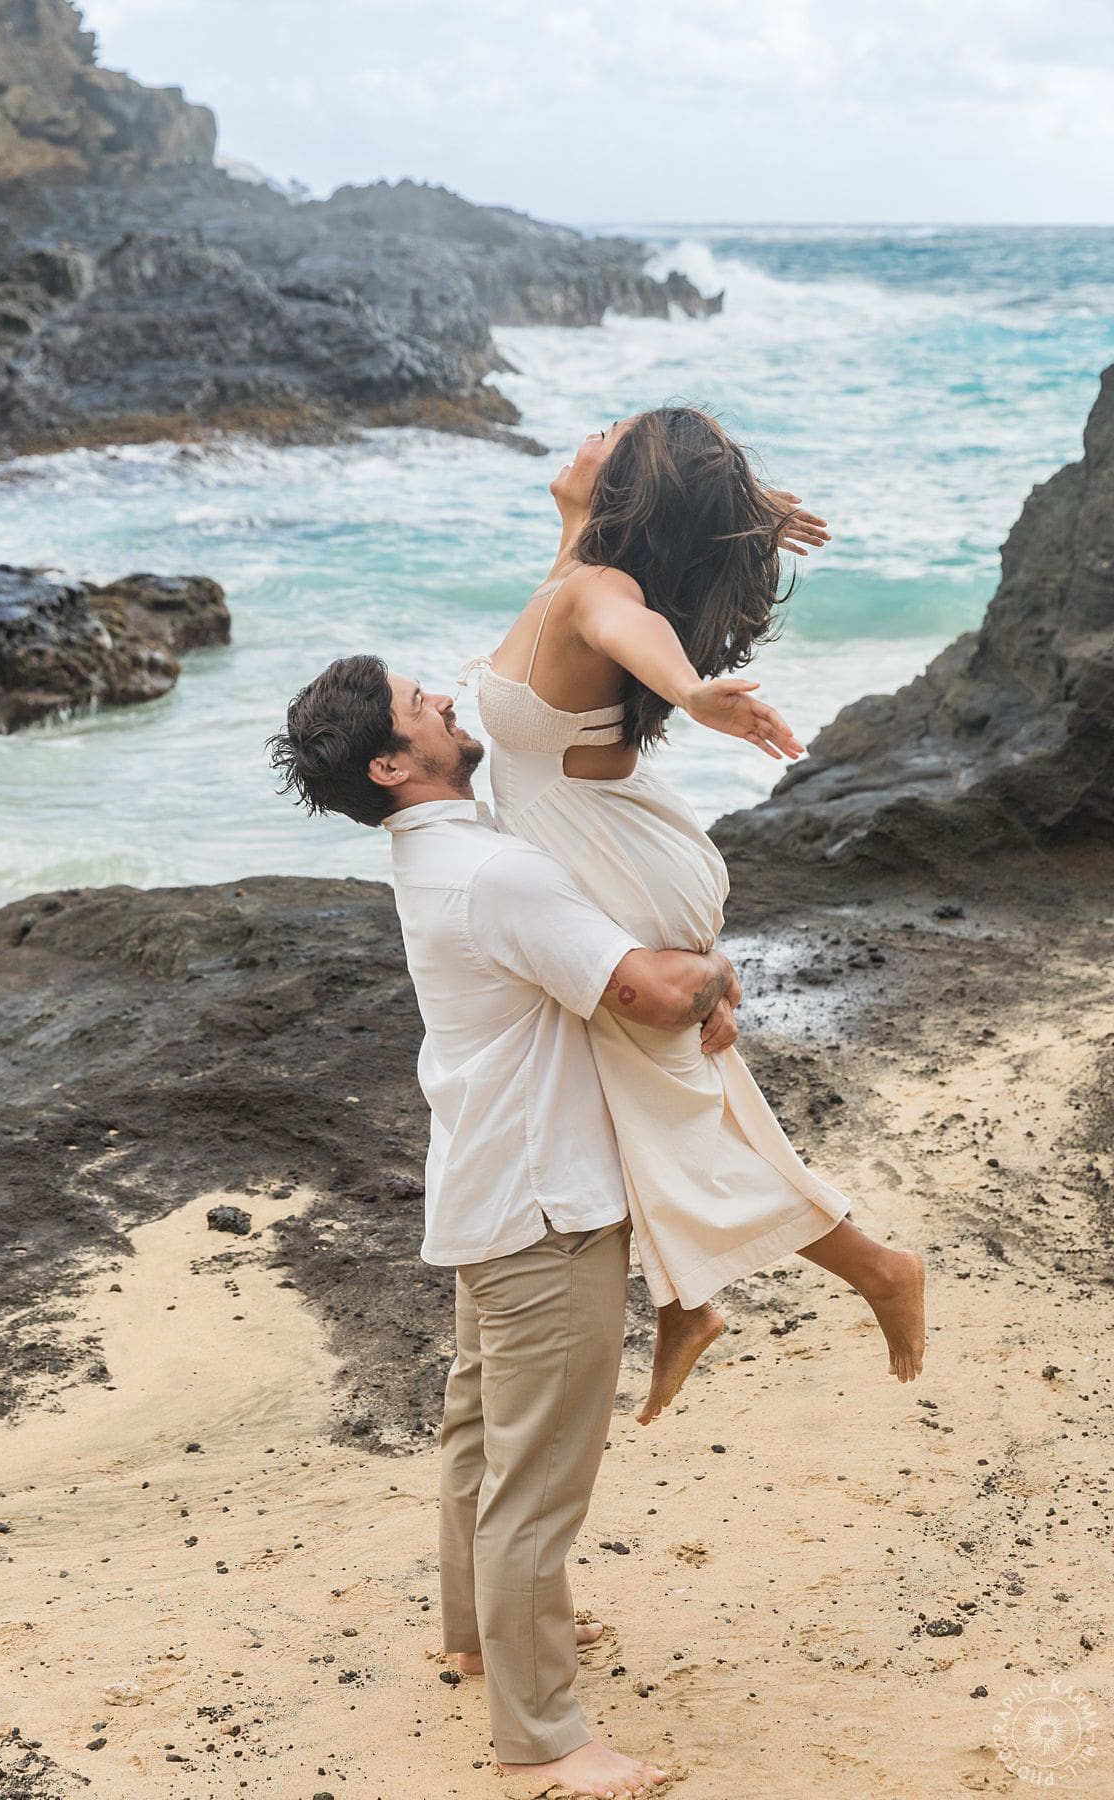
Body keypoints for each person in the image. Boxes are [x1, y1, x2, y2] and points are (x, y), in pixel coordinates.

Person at [268, 655, 739, 1798]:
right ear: (391, 763)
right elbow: (657, 992)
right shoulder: (489, 872)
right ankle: (544, 1737)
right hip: (544, 1207)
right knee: (538, 1478)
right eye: (416, 703)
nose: (441, 697)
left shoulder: (430, 860)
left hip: (489, 1188)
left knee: (480, 1438)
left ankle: (479, 1637)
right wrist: (719, 969)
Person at [458, 405, 925, 1425]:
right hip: (606, 853)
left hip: (607, 860)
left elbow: (636, 630)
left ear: (627, 488)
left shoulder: (599, 593)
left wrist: (693, 691)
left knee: (676, 1098)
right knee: (646, 1092)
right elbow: (638, 563)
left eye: (608, 433)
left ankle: (871, 1268)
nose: (587, 433)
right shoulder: (579, 563)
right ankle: (692, 1297)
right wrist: (744, 508)